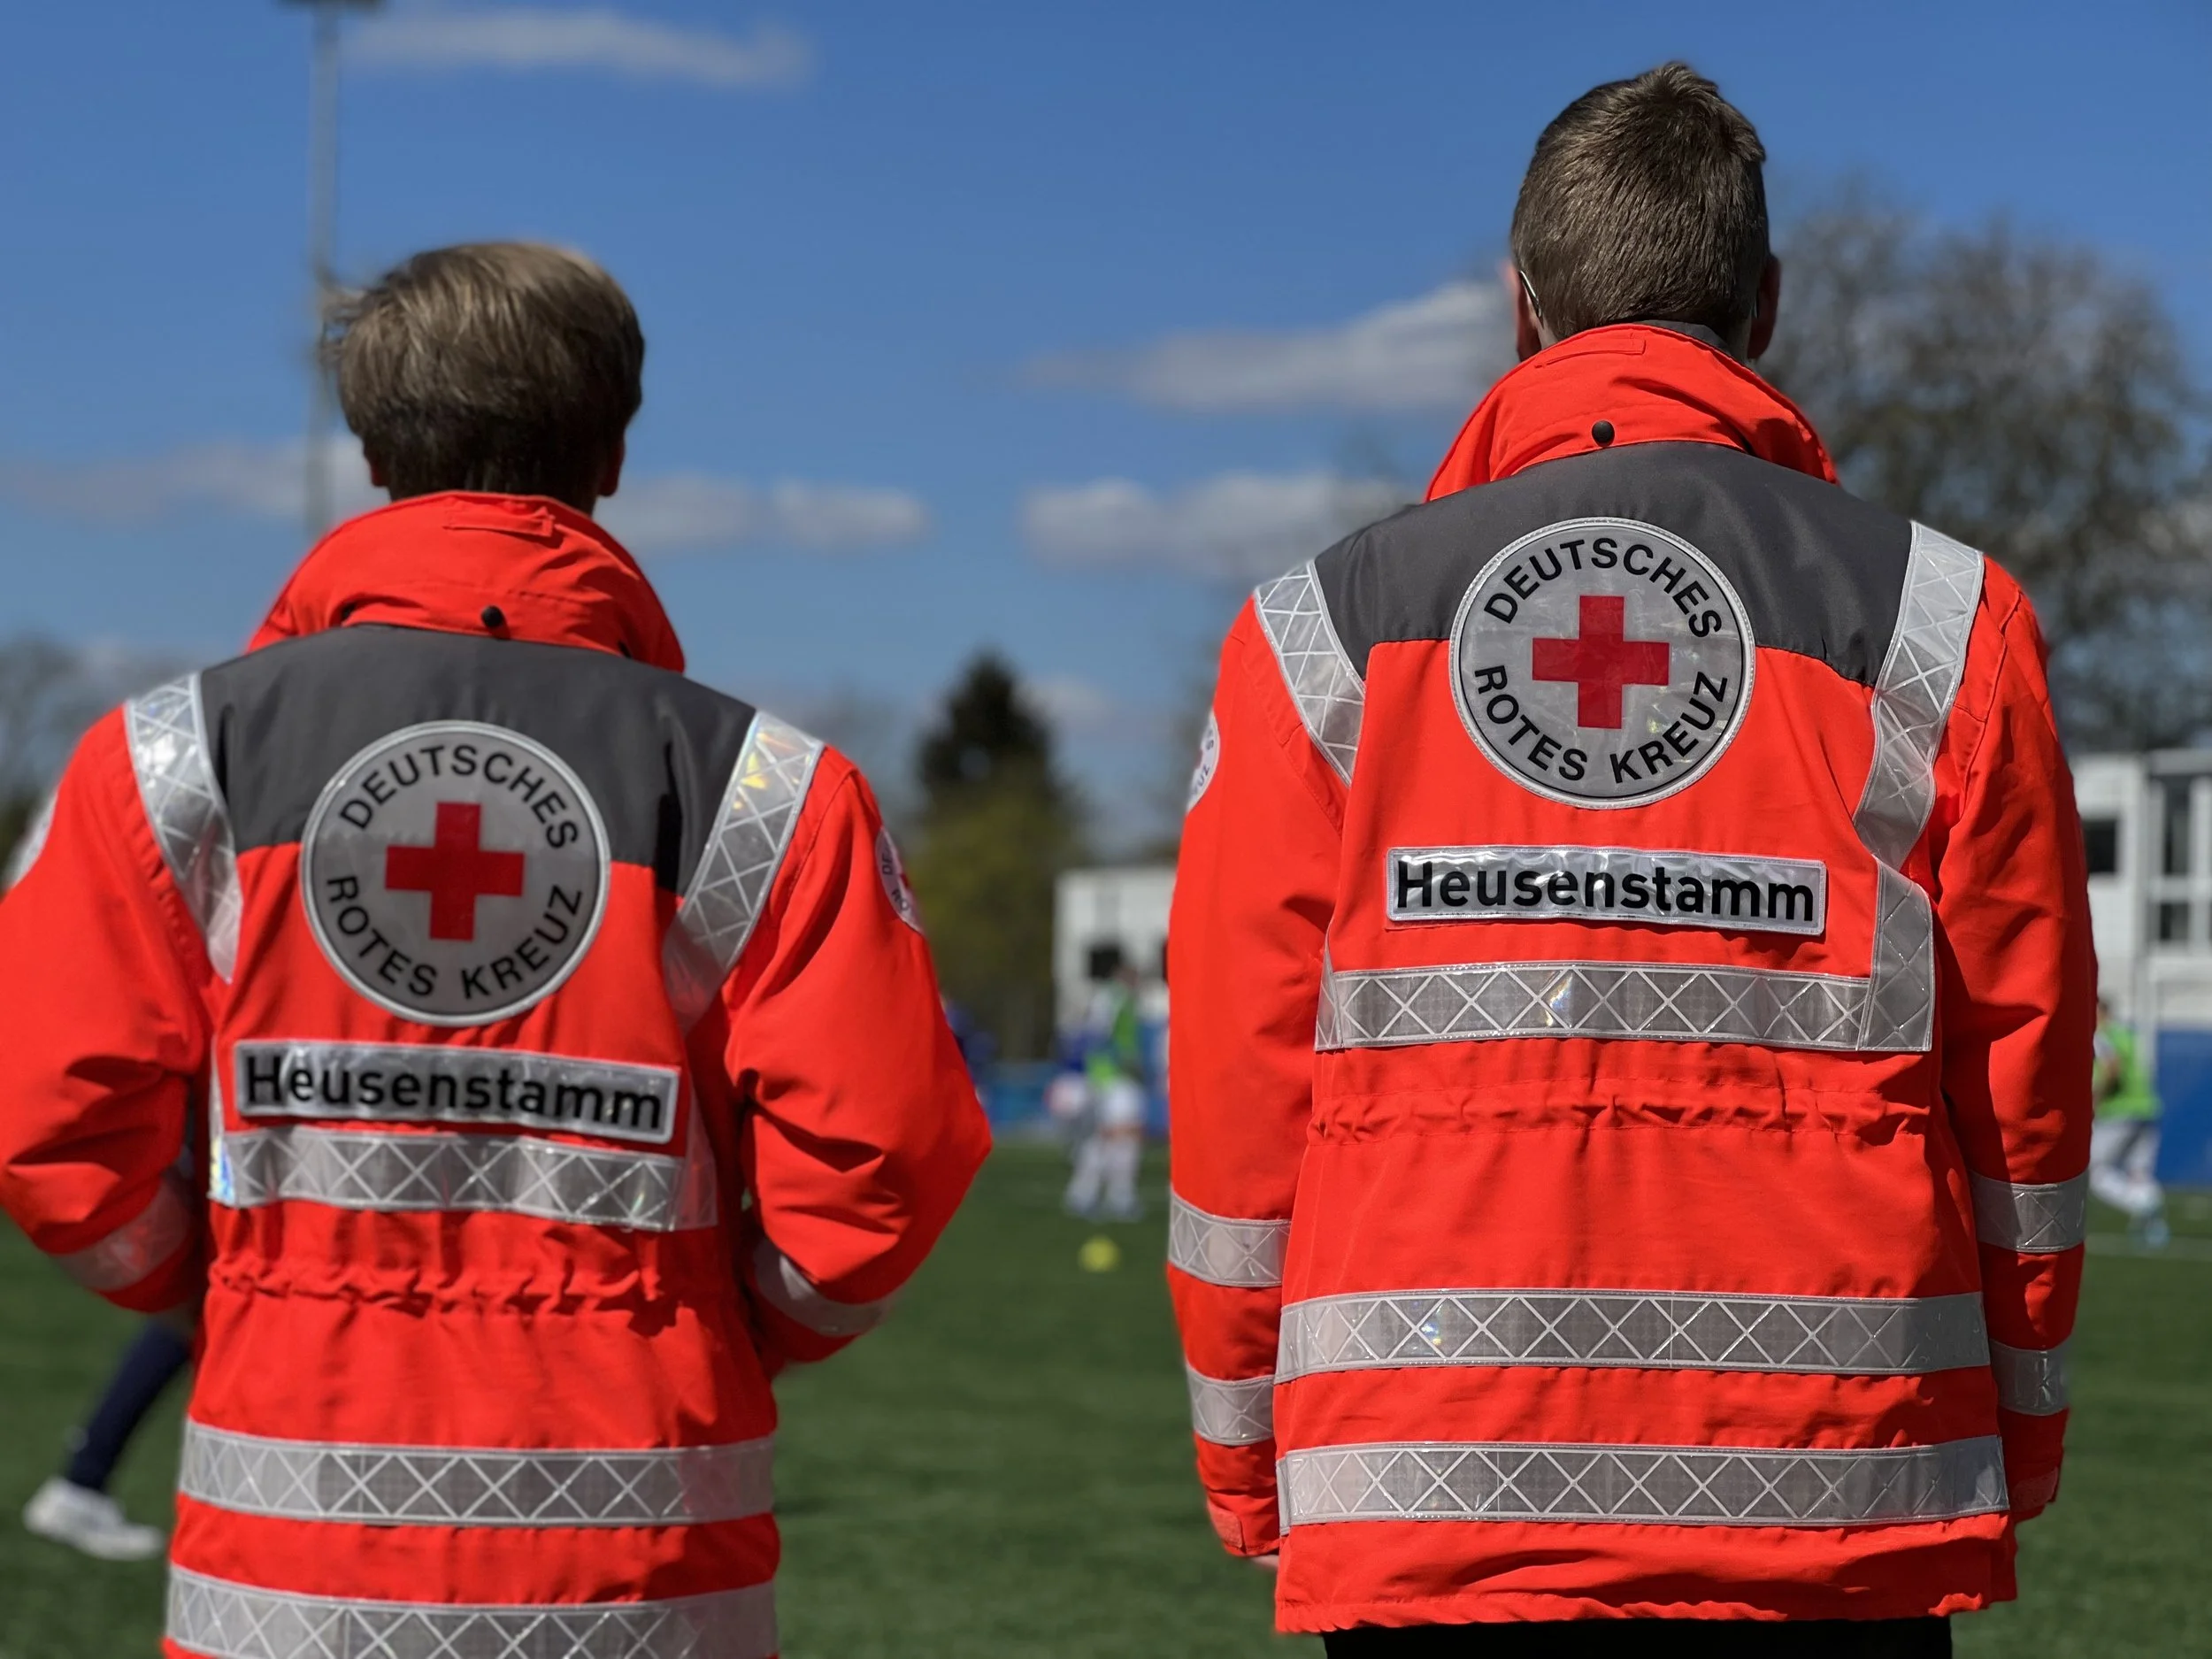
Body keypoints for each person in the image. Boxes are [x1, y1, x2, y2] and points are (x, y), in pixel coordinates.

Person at [1167, 65, 2093, 1655]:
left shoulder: (1314, 637)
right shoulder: (1945, 627)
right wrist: (2018, 1427)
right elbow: (2025, 1075)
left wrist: (1255, 1459)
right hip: (1839, 1496)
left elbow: (1246, 1085)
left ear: (1519, 305)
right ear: (1768, 305)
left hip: (1426, 1495)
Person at [0, 242, 990, 1659]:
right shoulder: (766, 786)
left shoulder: (169, 759)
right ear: (616, 450)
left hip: (283, 1571)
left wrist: (230, 1287)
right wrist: (713, 1325)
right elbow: (881, 1160)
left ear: (373, 443)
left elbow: (50, 1122)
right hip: (649, 1577)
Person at [1064, 955, 1148, 1220]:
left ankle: (1088, 1194)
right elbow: (1099, 1034)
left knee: (1106, 1137)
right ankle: (1113, 1196)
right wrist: (1122, 1062)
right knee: (1121, 1136)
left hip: (1109, 1078)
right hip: (1114, 1078)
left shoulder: (1115, 998)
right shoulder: (1115, 998)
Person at [2090, 997, 2168, 1247]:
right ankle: (2153, 1232)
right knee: (2138, 1173)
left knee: (2097, 1173)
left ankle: (2145, 1203)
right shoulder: (2128, 1035)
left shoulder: (2103, 1036)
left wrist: (2095, 1101)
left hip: (2119, 1112)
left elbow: (2112, 1068)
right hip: (2146, 1108)